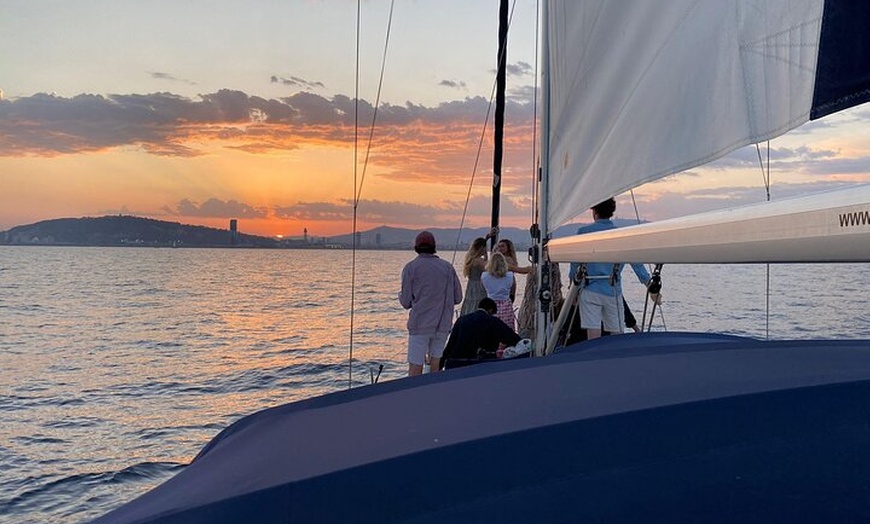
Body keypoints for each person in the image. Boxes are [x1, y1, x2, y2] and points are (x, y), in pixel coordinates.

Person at [569, 198, 660, 340]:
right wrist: (649, 283)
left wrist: (572, 288)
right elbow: (637, 264)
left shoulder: (583, 232)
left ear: (594, 212)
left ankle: (594, 360)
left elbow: (574, 264)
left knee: (593, 335)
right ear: (611, 212)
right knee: (616, 334)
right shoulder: (621, 235)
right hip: (613, 291)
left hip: (589, 291)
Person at [399, 231, 462, 376]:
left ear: (416, 247)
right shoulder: (448, 267)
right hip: (443, 325)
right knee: (436, 363)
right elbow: (458, 298)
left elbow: (405, 302)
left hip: (420, 325)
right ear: (434, 247)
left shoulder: (411, 268)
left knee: (416, 366)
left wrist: (400, 295)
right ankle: (434, 394)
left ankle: (414, 397)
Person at [441, 297, 522, 369]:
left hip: (457, 363)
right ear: (490, 310)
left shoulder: (461, 320)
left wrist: (440, 364)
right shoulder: (492, 321)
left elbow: (450, 345)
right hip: (481, 363)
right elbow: (512, 338)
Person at [459, 228, 497, 316]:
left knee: (470, 304)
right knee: (478, 305)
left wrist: (486, 238)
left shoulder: (471, 258)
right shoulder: (478, 261)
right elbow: (489, 268)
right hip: (479, 287)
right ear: (482, 249)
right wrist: (495, 254)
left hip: (471, 286)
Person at [481, 252, 516, 331]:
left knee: (491, 330)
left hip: (490, 304)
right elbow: (513, 291)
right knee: (506, 329)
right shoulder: (510, 276)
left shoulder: (484, 276)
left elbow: (484, 289)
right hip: (506, 303)